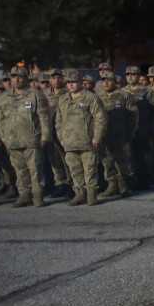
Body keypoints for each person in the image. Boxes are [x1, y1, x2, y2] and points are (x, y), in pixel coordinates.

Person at [0, 65, 53, 207]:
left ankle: (37, 196)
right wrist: (4, 138)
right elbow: (1, 120)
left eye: (20, 76)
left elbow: (44, 117)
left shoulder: (35, 94)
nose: (16, 79)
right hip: (13, 140)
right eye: (13, 77)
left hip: (31, 139)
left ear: (26, 78)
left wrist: (45, 136)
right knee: (19, 169)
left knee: (35, 170)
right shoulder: (4, 98)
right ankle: (24, 195)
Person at [55, 70, 108, 206]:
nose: (71, 85)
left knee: (90, 169)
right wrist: (61, 137)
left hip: (87, 141)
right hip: (70, 142)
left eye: (74, 82)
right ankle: (80, 194)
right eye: (69, 83)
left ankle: (91, 195)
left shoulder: (91, 98)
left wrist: (97, 137)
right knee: (75, 170)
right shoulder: (63, 99)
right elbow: (58, 121)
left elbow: (100, 119)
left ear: (80, 83)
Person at [97, 72, 138, 198]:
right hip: (104, 135)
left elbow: (133, 117)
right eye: (103, 81)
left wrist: (129, 137)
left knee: (122, 161)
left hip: (120, 135)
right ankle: (111, 185)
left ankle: (123, 185)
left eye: (109, 80)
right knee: (107, 161)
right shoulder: (98, 97)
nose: (106, 83)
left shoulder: (124, 95)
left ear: (115, 82)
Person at [123, 65, 154, 189]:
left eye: (133, 74)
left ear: (138, 76)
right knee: (130, 157)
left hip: (143, 130)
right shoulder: (122, 92)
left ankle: (144, 181)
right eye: (127, 75)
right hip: (128, 130)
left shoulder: (147, 92)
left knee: (143, 157)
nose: (130, 77)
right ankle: (132, 181)